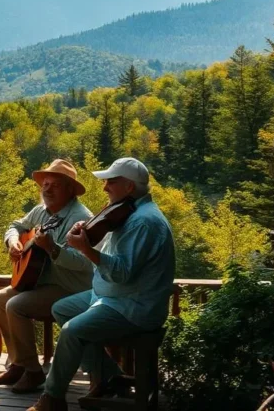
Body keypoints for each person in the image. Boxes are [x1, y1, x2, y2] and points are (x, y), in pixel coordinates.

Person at [27, 158, 176, 411]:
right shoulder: (127, 213)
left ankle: (52, 398)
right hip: (113, 297)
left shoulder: (142, 222)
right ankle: (108, 375)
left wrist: (85, 249)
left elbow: (122, 273)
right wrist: (86, 238)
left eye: (111, 182)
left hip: (134, 306)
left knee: (73, 330)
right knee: (62, 309)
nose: (105, 187)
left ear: (129, 187)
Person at [0, 159, 94, 394]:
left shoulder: (82, 218)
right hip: (41, 283)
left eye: (54, 185)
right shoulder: (41, 211)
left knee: (15, 305)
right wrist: (13, 241)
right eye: (45, 184)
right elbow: (15, 225)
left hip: (71, 288)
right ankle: (18, 363)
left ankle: (34, 372)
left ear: (69, 189)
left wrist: (52, 248)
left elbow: (83, 263)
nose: (46, 189)